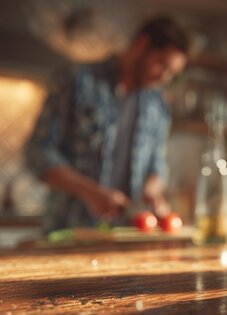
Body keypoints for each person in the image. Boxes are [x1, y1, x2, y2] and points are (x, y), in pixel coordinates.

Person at [25, 16, 190, 233]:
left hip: (127, 234)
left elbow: (156, 163)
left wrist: (152, 188)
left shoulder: (157, 104)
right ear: (141, 45)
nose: (164, 77)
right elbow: (39, 151)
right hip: (69, 230)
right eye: (161, 65)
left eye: (172, 74)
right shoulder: (77, 81)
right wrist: (89, 192)